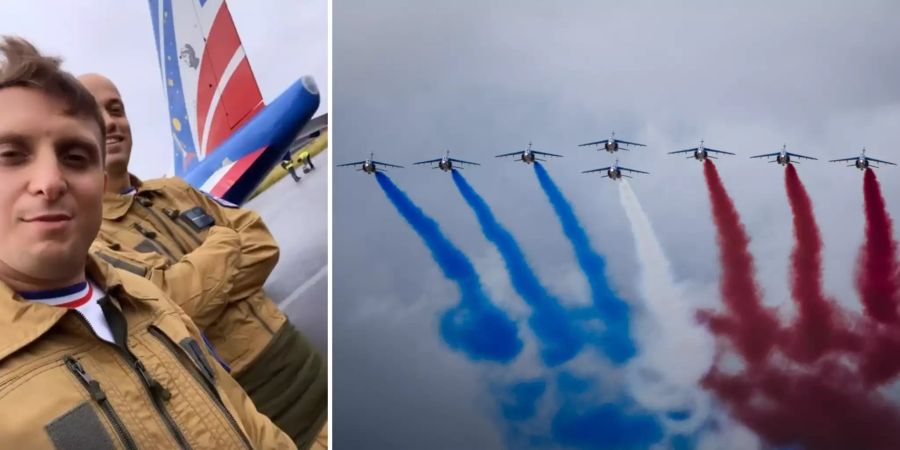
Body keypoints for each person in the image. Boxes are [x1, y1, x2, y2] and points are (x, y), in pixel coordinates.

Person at [0, 36, 294, 449]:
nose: (49, 182)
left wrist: (199, 274)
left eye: (75, 156)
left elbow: (246, 421)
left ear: (98, 183)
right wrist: (226, 238)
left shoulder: (146, 298)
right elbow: (201, 283)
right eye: (10, 154)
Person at [79, 73, 327, 450]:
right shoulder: (92, 239)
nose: (110, 122)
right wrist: (225, 238)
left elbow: (262, 243)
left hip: (310, 369)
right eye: (93, 113)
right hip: (255, 407)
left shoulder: (175, 190)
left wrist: (203, 279)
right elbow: (170, 307)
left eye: (117, 110)